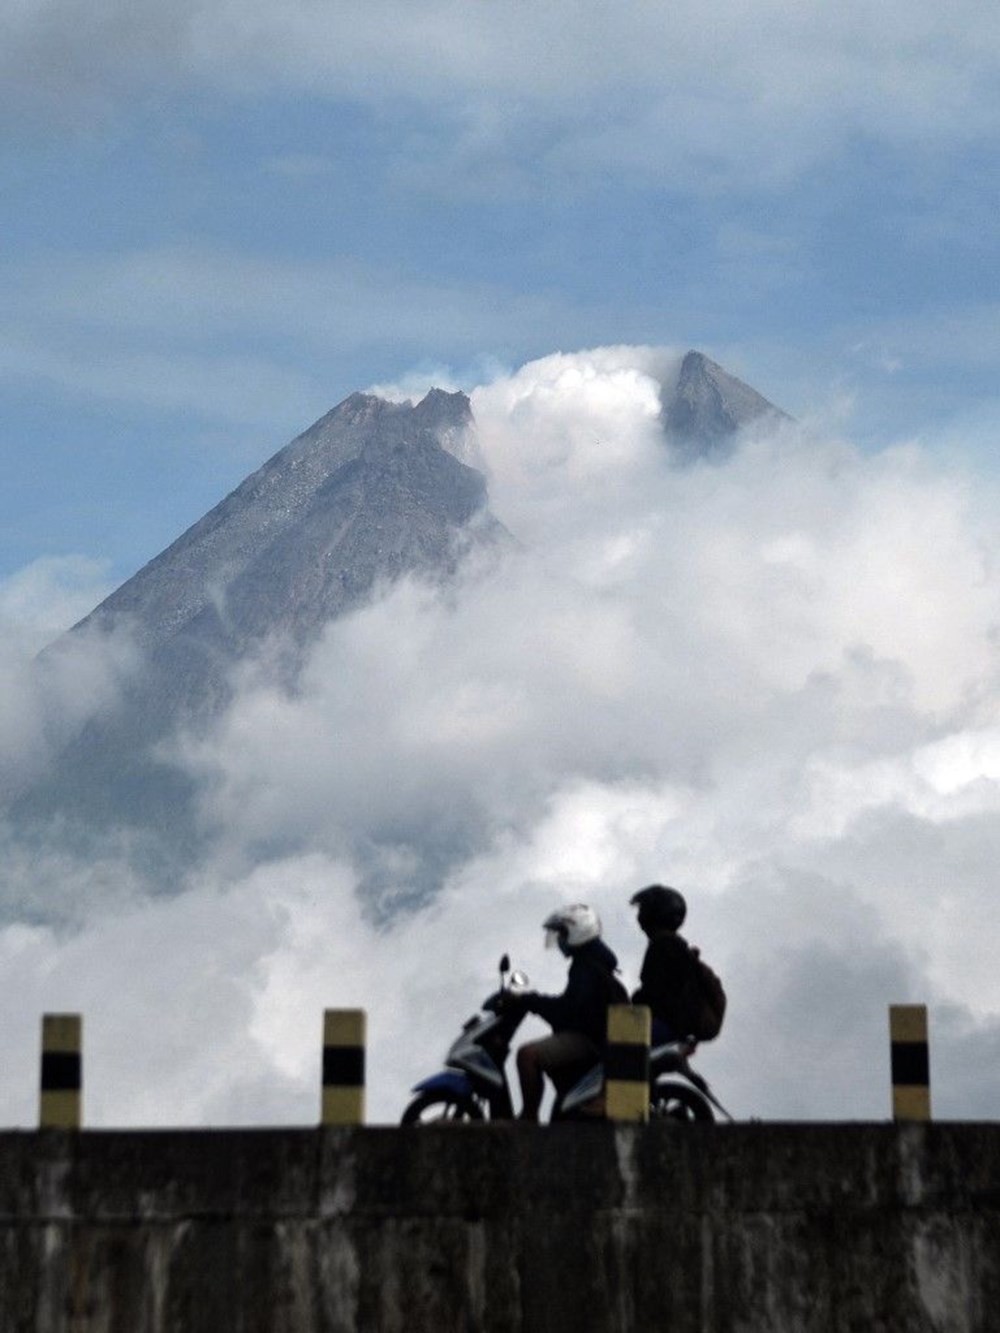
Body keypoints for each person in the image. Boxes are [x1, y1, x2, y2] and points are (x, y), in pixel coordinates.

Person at [513, 903, 624, 1122]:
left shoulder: (587, 967)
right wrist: (533, 1001)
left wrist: (529, 1001)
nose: (560, 940)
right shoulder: (592, 962)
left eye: (563, 933)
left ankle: (528, 1118)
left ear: (578, 931)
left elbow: (567, 1010)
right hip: (594, 1036)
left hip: (589, 1039)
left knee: (528, 1055)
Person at [629, 883, 696, 1043]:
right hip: (672, 1025)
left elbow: (656, 992)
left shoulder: (663, 946)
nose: (639, 916)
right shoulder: (674, 945)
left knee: (608, 1037)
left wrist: (634, 1001)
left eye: (643, 909)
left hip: (664, 1025)